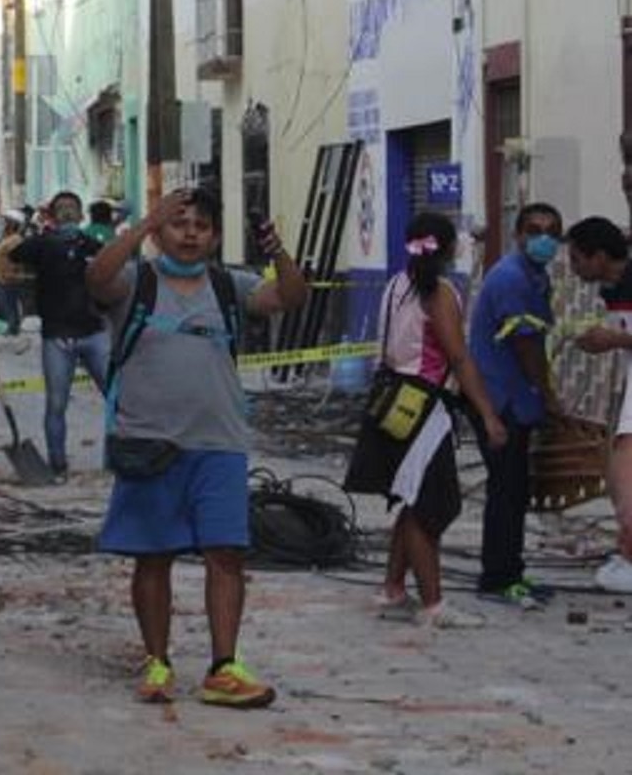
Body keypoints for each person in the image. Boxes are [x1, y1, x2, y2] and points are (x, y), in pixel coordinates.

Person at [86, 187, 307, 708]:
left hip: (220, 443)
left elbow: (290, 297)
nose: (189, 233)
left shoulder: (229, 286)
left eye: (201, 225)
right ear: (160, 232)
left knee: (225, 554)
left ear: (214, 237)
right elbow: (96, 278)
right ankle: (157, 662)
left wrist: (277, 250)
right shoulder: (136, 282)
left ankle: (224, 668)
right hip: (150, 443)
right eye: (179, 223)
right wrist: (143, 224)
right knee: (153, 556)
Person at [343, 213, 507, 627]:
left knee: (411, 496)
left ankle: (393, 588)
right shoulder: (439, 293)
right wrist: (488, 415)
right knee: (430, 507)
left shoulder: (396, 285)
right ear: (450, 248)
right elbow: (459, 358)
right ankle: (433, 605)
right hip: (423, 409)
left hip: (390, 401)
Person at [469, 202, 565, 609]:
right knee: (506, 489)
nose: (544, 239)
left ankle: (510, 570)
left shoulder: (534, 275)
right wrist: (548, 394)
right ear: (518, 234)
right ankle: (498, 577)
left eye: (552, 232)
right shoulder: (511, 278)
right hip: (499, 397)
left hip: (513, 396)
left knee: (514, 487)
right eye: (534, 230)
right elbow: (525, 345)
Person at [13, 191, 110, 479]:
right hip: (57, 337)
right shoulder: (42, 244)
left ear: (81, 216)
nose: (67, 212)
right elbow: (15, 253)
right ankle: (58, 465)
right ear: (53, 216)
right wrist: (37, 228)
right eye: (61, 208)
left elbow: (114, 264)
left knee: (117, 399)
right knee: (56, 403)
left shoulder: (90, 244)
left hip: (94, 332)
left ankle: (117, 461)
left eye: (72, 208)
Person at [564, 216, 632, 593]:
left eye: (577, 259)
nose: (573, 268)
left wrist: (612, 341)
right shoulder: (611, 288)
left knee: (624, 467)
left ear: (600, 257)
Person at [0, 211, 29, 336]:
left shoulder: (15, 240)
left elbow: (19, 261)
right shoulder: (6, 238)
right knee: (5, 309)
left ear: (13, 224)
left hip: (7, 281)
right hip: (0, 280)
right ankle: (10, 333)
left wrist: (13, 273)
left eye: (6, 221)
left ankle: (12, 334)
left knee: (9, 310)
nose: (4, 223)